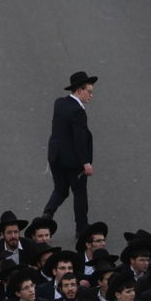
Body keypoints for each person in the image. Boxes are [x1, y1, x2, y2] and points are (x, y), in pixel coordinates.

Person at [45, 71, 96, 235]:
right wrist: (86, 163)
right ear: (79, 90)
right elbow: (79, 139)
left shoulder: (59, 103)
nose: (91, 95)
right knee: (80, 194)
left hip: (55, 156)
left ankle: (46, 216)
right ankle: (82, 229)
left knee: (60, 190)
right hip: (73, 161)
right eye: (89, 91)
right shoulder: (78, 112)